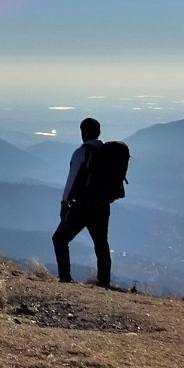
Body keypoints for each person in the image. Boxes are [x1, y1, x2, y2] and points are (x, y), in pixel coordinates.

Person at [52, 117, 111, 288]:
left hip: (83, 205)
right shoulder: (106, 152)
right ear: (99, 132)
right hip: (102, 205)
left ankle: (65, 278)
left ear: (82, 133)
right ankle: (104, 280)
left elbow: (71, 181)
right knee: (101, 243)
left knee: (59, 239)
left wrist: (64, 203)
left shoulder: (81, 153)